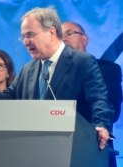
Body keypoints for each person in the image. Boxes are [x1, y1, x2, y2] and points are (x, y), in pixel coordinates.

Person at [0, 7, 114, 153]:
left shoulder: (81, 61)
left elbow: (99, 99)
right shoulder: (28, 69)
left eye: (30, 35)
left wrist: (100, 125)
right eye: (23, 37)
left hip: (71, 150)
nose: (25, 42)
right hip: (31, 151)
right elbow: (2, 105)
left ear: (52, 32)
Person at [62, 21, 122, 167]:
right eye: (60, 36)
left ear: (85, 39)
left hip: (95, 150)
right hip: (60, 151)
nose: (64, 39)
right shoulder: (50, 74)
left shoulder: (107, 69)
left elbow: (112, 111)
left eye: (69, 33)